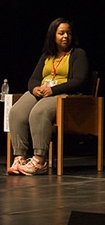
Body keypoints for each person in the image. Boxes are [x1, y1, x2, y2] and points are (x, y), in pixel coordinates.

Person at [7, 18, 89, 175]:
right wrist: (35, 88)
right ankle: (20, 157)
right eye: (61, 33)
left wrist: (54, 90)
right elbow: (33, 78)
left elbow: (79, 81)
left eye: (68, 33)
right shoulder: (46, 55)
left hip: (64, 94)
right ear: (53, 36)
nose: (65, 36)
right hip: (43, 92)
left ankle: (39, 160)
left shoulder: (78, 54)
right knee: (17, 111)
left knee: (39, 112)